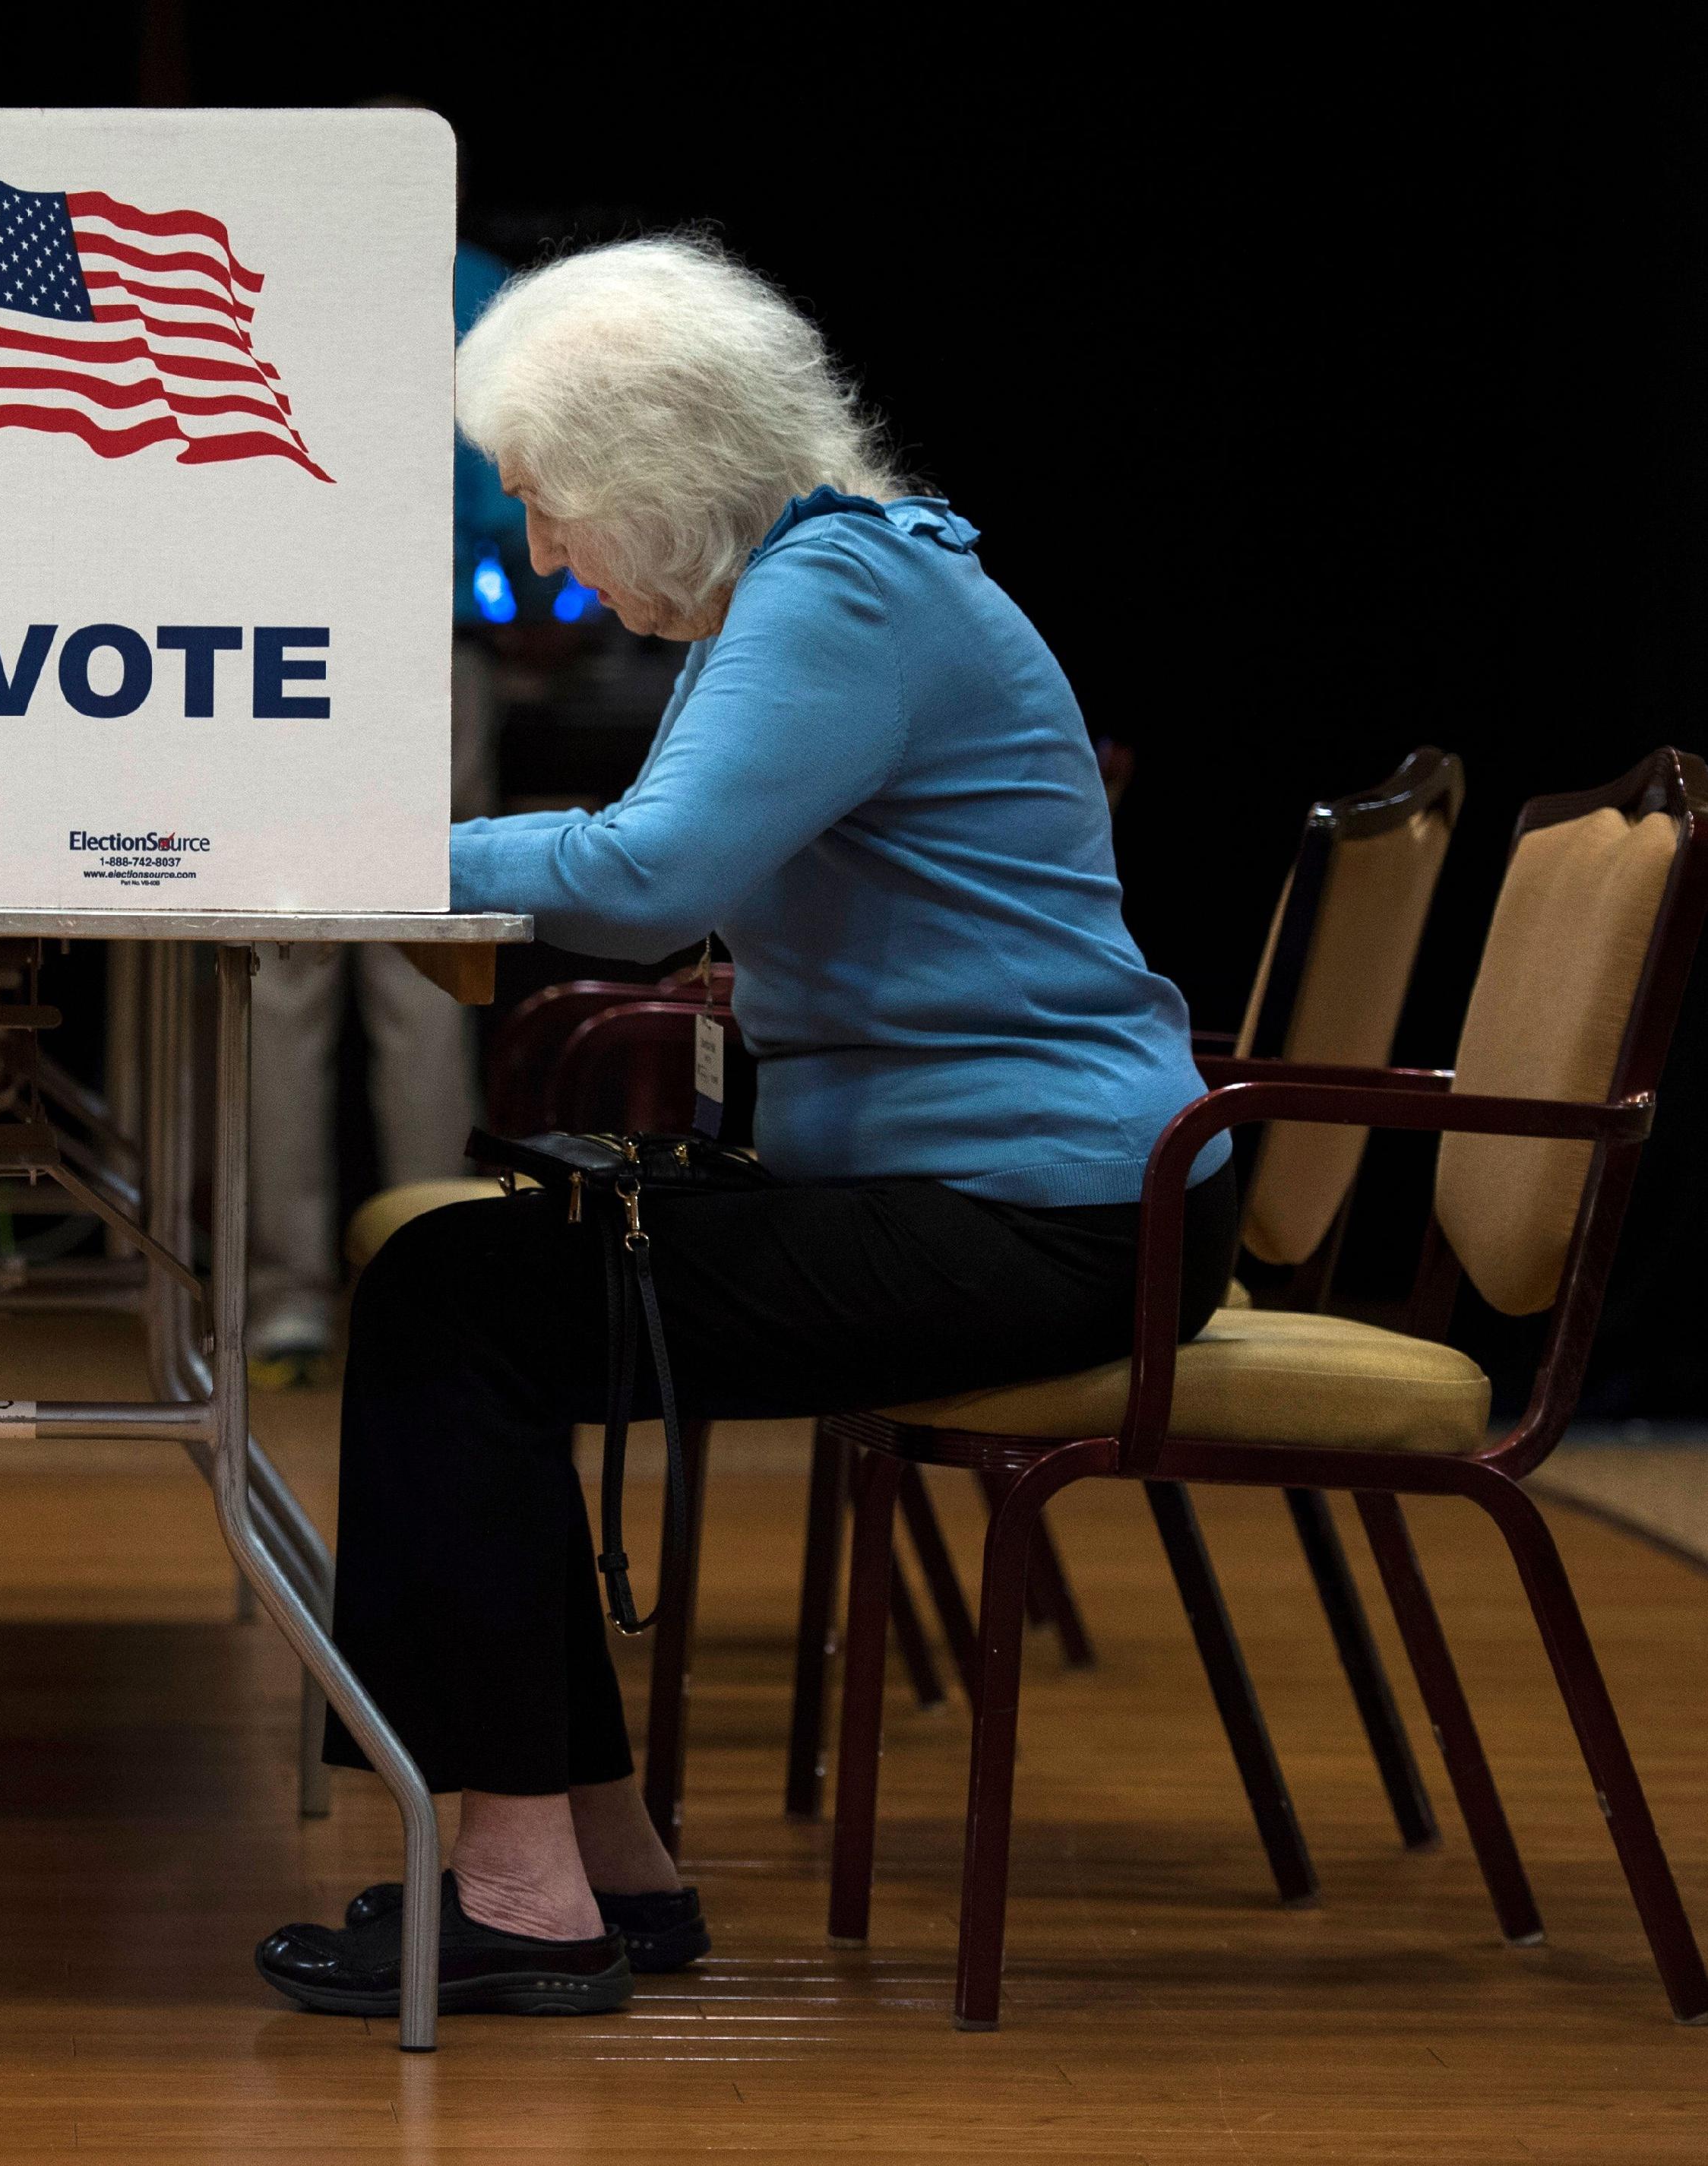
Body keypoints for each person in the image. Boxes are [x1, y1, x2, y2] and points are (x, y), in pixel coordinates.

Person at [253, 236, 1235, 2016]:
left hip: (1059, 1217)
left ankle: (531, 1885)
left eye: (551, 506)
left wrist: (350, 848)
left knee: (457, 1302)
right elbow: (671, 866)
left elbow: (650, 877)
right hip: (1005, 1190)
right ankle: (592, 1865)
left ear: (656, 467)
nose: (541, 554)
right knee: (471, 1286)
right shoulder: (819, 580)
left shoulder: (843, 588)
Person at [241, 240, 508, 1385]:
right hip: (420, 646)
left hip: (271, 647)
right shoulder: (479, 291)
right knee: (424, 969)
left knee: (278, 975)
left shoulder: (273, 259)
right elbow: (508, 497)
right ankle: (438, 1271)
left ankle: (281, 1298)